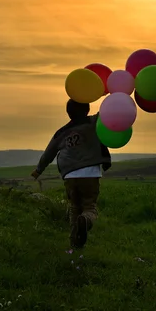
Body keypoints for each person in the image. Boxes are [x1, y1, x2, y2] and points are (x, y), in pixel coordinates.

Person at [31, 99, 112, 249]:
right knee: (89, 207)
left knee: (74, 207)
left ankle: (74, 243)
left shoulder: (61, 132)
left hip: (70, 175)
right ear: (87, 109)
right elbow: (109, 113)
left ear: (68, 113)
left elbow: (49, 153)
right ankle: (86, 221)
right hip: (90, 174)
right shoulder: (94, 122)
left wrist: (38, 170)